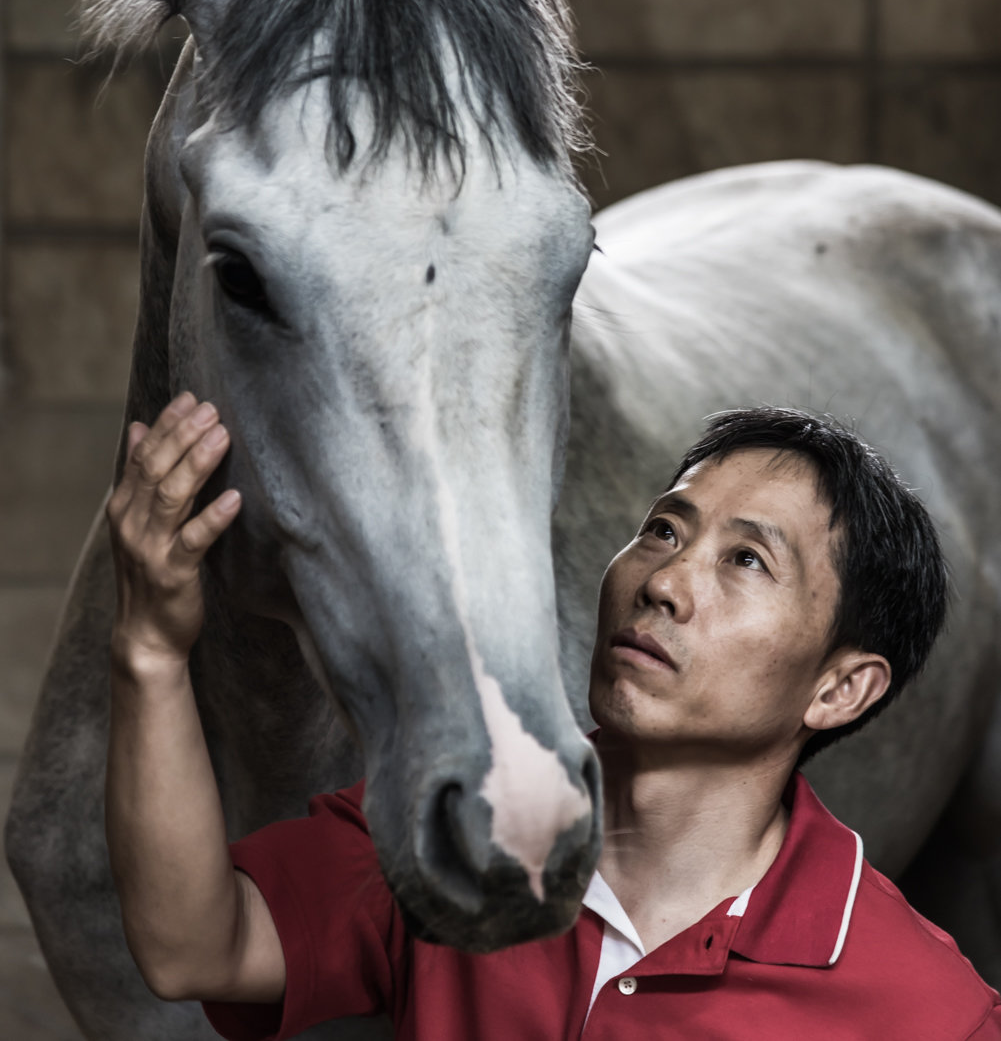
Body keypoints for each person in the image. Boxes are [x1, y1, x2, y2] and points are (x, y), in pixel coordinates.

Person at [104, 394, 1001, 1039]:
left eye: (746, 562)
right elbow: (196, 947)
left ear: (840, 689)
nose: (663, 582)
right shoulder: (469, 826)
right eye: (664, 529)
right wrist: (151, 648)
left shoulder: (928, 1012)